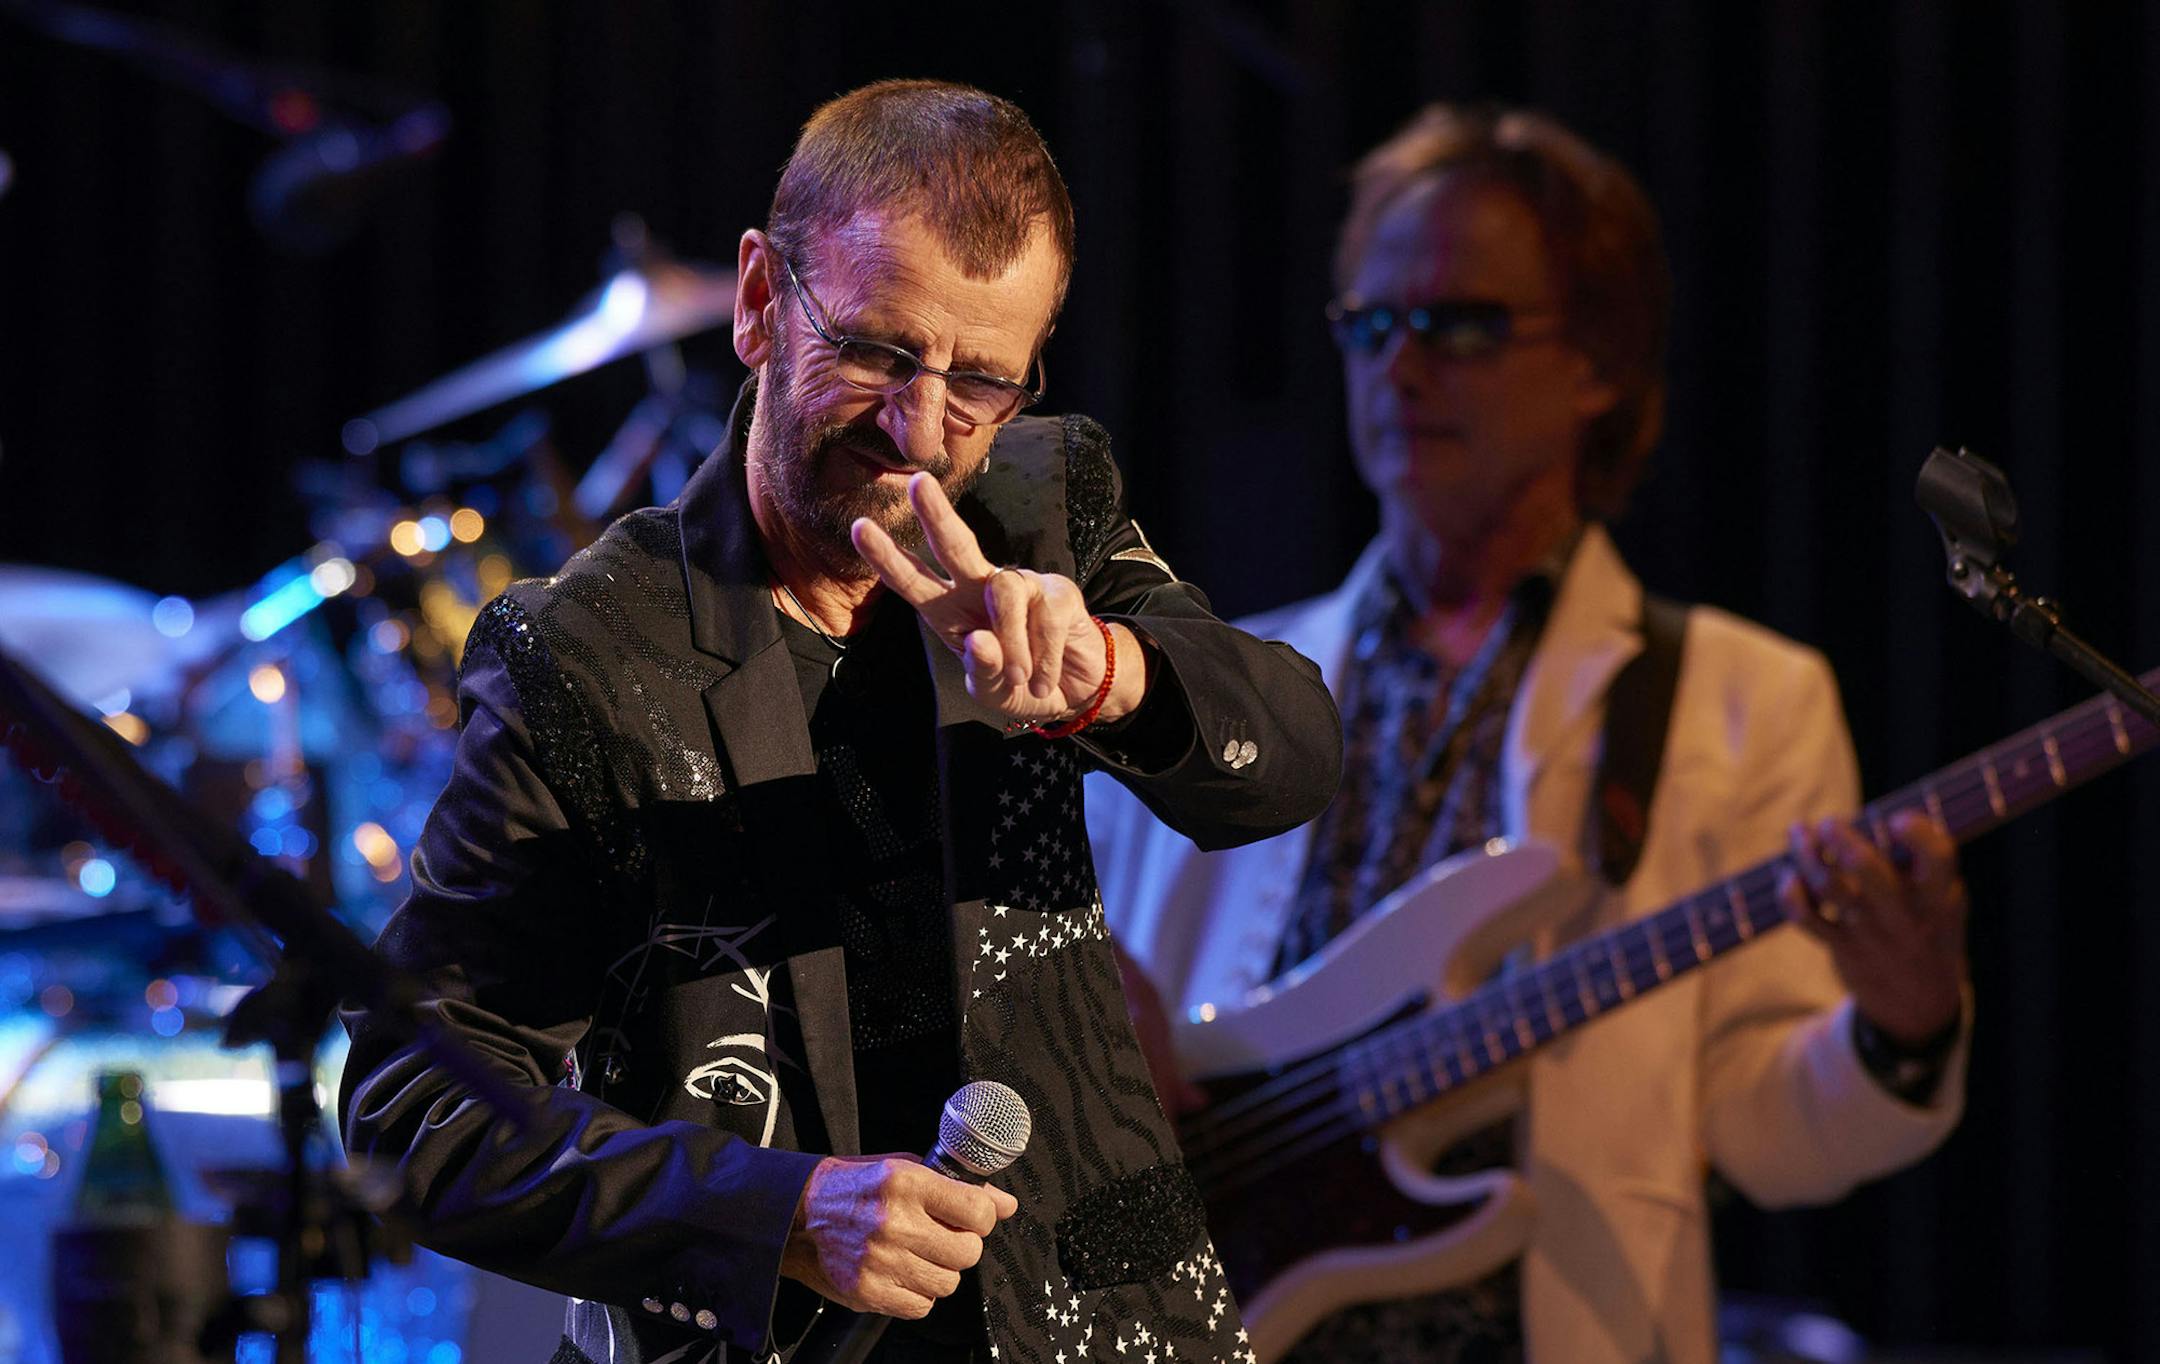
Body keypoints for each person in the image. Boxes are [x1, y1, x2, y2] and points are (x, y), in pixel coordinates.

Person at [340, 79, 1342, 1364]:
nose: (922, 429)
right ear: (760, 300)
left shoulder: (1044, 500)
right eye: (877, 350)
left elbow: (1295, 754)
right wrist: (780, 1211)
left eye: (982, 379)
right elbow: (416, 1102)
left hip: (1105, 1326)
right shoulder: (583, 649)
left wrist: (1109, 671)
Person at [1087, 105, 1971, 1364]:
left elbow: (1768, 1131)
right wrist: (1062, 1004)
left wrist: (1905, 1019)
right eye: (1369, 326)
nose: (1399, 367)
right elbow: (1047, 996)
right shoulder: (1194, 678)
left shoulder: (1741, 695)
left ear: (1600, 362)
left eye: (1458, 323)